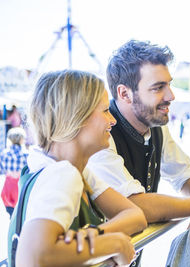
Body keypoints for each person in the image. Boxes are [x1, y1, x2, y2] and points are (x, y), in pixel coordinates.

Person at [87, 40, 190, 264]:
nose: (171, 95)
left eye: (168, 85)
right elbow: (133, 204)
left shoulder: (156, 128)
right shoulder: (100, 135)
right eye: (158, 87)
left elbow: (185, 175)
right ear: (124, 94)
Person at [10, 70, 147, 266]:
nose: (113, 120)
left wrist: (92, 236)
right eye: (105, 110)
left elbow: (136, 216)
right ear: (77, 115)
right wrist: (113, 243)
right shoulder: (63, 175)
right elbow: (32, 257)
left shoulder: (69, 171)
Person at [0, 127, 28, 217]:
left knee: (11, 214)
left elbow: (2, 169)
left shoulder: (4, 153)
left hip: (8, 187)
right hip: (20, 186)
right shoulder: (26, 154)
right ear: (21, 139)